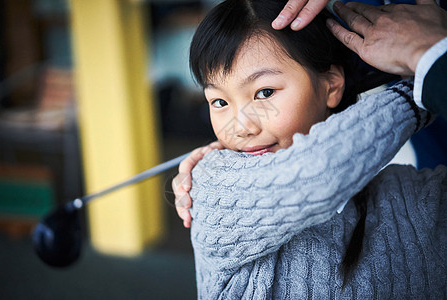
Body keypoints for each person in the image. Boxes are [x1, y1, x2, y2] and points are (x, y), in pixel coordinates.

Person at [172, 0, 445, 298]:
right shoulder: (211, 186)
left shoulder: (414, 198)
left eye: (264, 92)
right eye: (219, 102)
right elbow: (316, 176)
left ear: (331, 85)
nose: (240, 127)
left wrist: (434, 60)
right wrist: (423, 78)